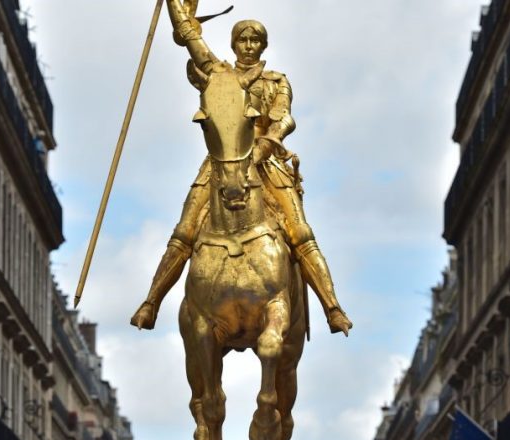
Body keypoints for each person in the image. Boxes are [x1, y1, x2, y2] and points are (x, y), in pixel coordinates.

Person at [130, 0, 353, 335]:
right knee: (184, 230)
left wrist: (267, 143)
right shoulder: (220, 76)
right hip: (222, 162)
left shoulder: (277, 81)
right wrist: (179, 12)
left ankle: (332, 308)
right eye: (242, 41)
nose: (249, 47)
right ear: (234, 45)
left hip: (265, 161)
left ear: (263, 46)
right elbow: (193, 43)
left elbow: (284, 117)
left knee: (300, 233)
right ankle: (151, 302)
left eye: (255, 41)